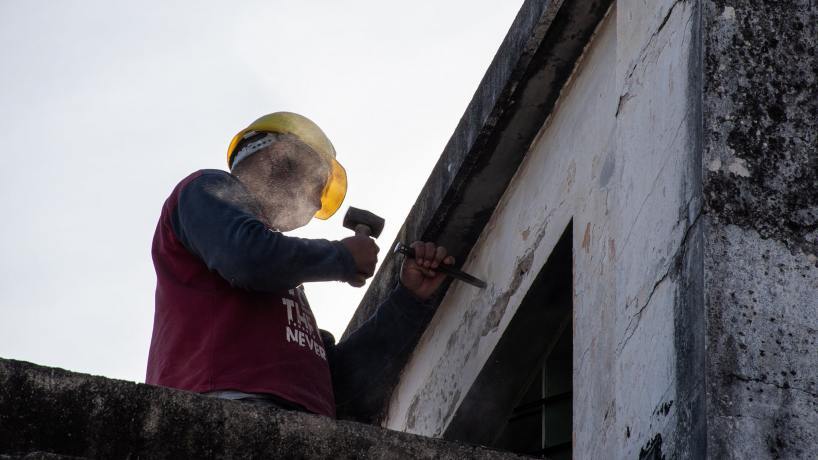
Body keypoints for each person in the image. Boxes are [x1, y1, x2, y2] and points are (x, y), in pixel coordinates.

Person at [145, 112, 453, 419]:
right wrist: (342, 257)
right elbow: (250, 259)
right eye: (317, 182)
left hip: (303, 426)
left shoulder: (283, 281)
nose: (316, 203)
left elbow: (341, 384)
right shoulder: (206, 189)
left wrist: (409, 300)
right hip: (219, 408)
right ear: (280, 157)